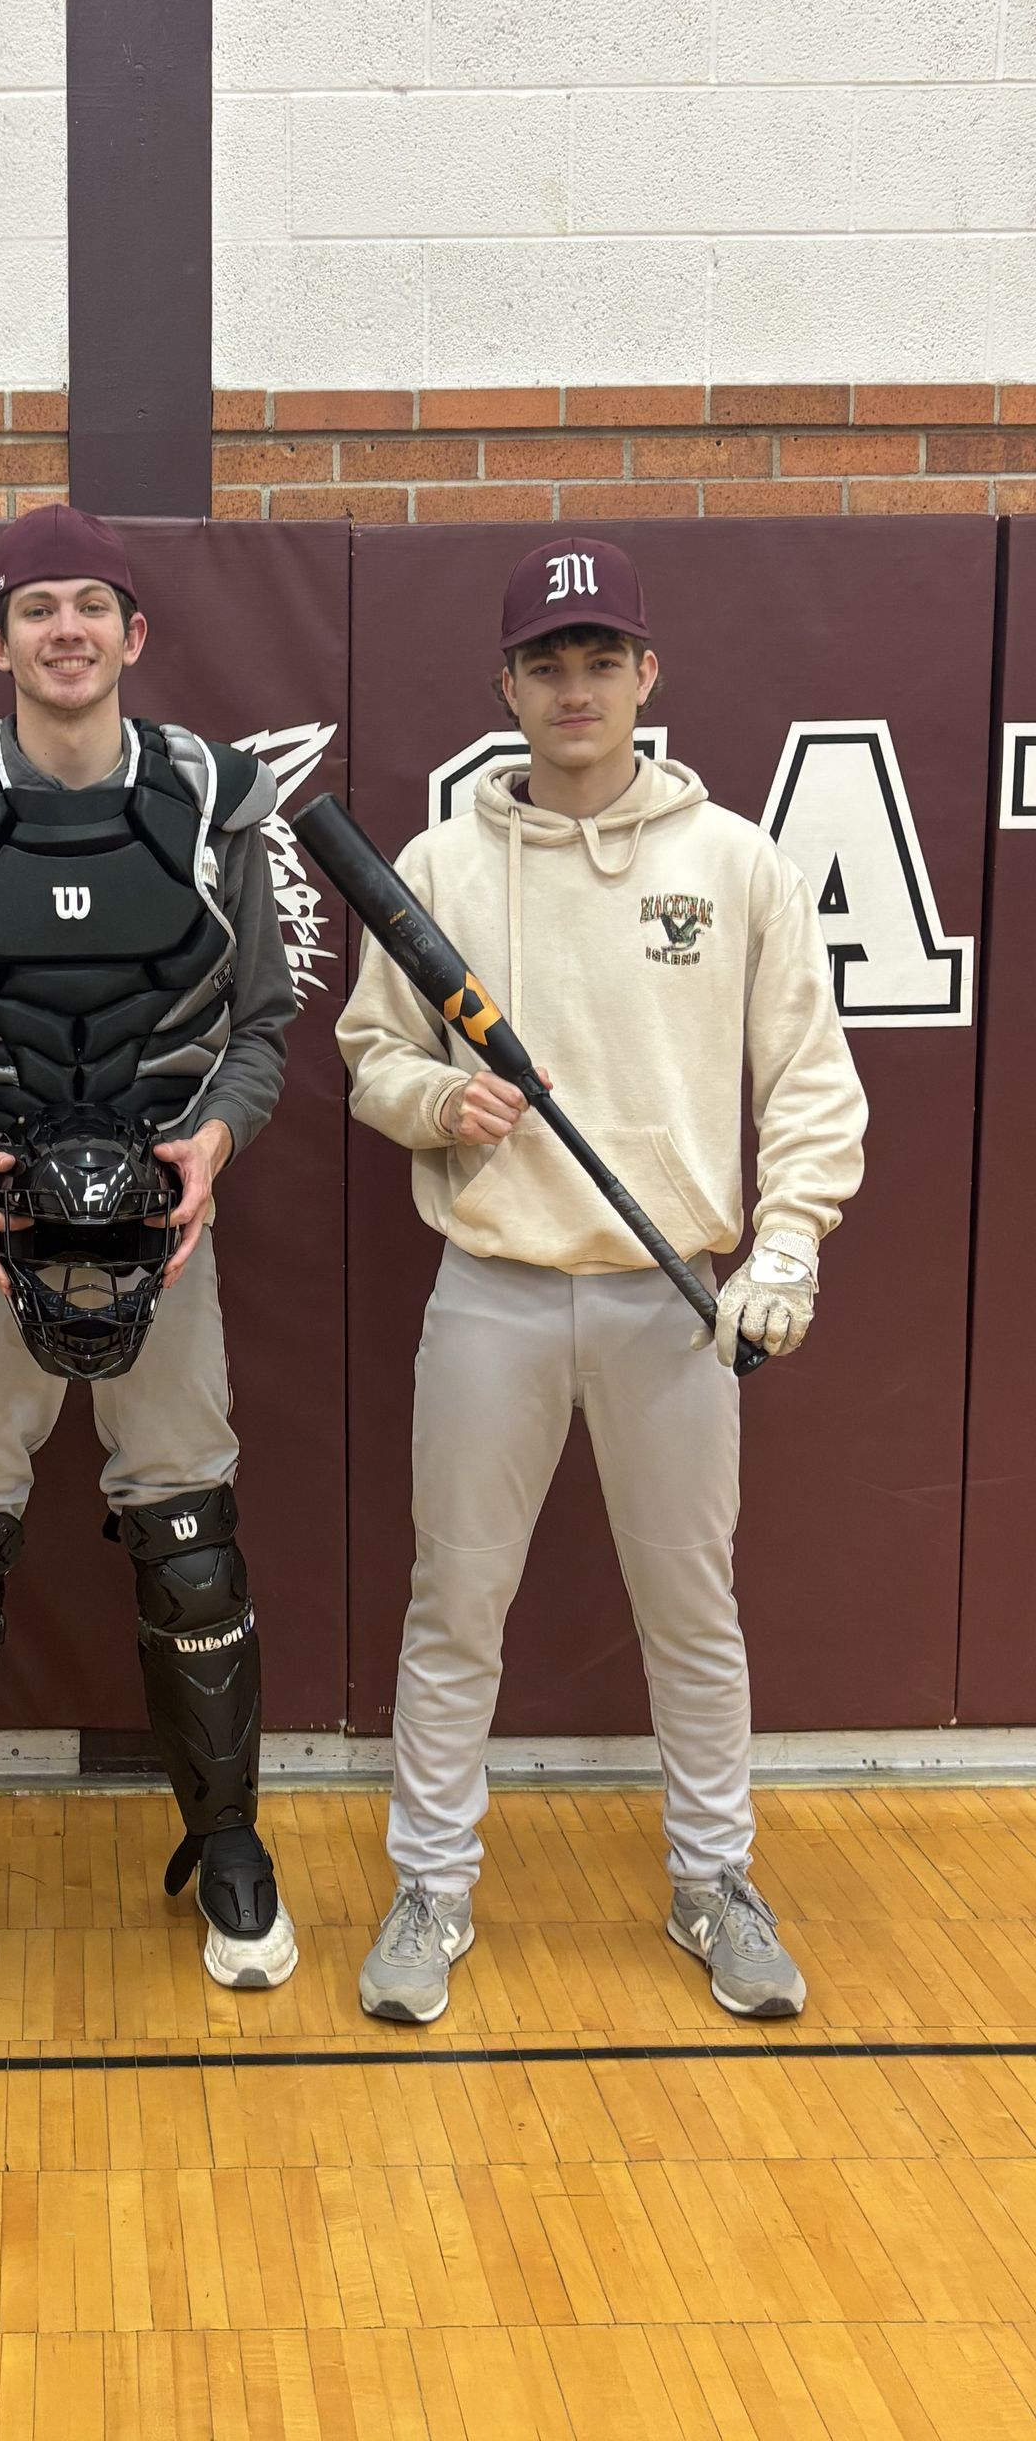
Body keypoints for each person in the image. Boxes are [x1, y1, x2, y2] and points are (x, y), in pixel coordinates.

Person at [337, 536, 866, 2025]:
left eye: (599, 660)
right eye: (545, 664)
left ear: (647, 675)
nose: (575, 688)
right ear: (506, 685)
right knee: (457, 1607)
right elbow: (371, 1054)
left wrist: (786, 1245)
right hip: (494, 1291)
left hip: (670, 1302)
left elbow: (813, 1087)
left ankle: (715, 1881)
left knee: (693, 1608)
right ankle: (432, 1890)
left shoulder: (735, 862)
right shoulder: (441, 866)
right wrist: (435, 1106)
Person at [0, 502, 301, 2002]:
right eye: (36, 609)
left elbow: (264, 1029)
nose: (65, 631)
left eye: (91, 606)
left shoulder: (210, 801)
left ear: (133, 633)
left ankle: (228, 1846)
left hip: (165, 1230)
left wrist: (215, 1144)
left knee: (187, 1530)